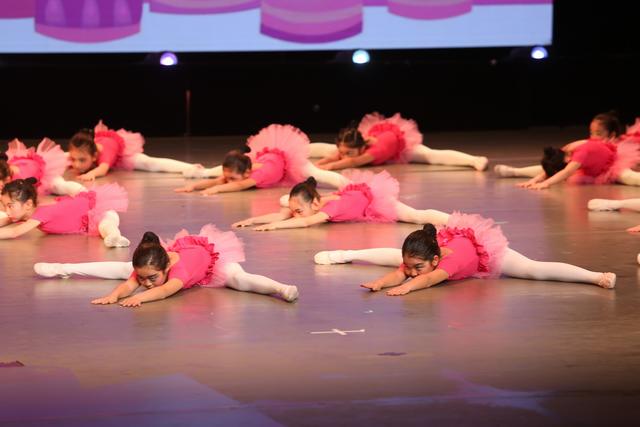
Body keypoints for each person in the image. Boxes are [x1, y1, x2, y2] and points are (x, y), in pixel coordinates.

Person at [313, 212, 616, 295]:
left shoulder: (449, 262)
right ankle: (345, 254)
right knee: (395, 256)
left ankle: (595, 276)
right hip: (444, 245)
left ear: (435, 261)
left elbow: (426, 280)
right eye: (411, 267)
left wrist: (407, 287)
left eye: (417, 267)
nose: (411, 271)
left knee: (532, 269)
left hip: (483, 254)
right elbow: (401, 271)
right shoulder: (422, 259)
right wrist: (380, 283)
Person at [33, 225, 299, 306]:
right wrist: (113, 295)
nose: (146, 283)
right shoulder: (150, 266)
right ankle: (62, 268)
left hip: (211, 261)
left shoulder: (177, 273)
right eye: (143, 278)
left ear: (166, 268)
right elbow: (130, 283)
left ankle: (282, 288)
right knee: (121, 270)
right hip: (175, 255)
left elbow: (162, 292)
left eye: (151, 278)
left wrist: (139, 298)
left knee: (240, 280)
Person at [231, 170, 450, 231]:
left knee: (415, 216)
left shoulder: (330, 208)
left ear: (314, 204)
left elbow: (305, 222)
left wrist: (274, 227)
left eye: (298, 210)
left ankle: (454, 220)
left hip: (374, 200)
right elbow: (284, 215)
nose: (294, 214)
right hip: (352, 195)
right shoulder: (312, 204)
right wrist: (251, 220)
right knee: (284, 204)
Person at [176, 124, 349, 195]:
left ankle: (349, 185)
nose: (228, 181)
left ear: (247, 173)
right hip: (268, 157)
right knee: (222, 173)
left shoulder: (259, 175)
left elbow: (239, 185)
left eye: (232, 178)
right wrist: (193, 187)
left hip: (289, 161)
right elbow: (220, 179)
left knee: (318, 175)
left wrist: (215, 190)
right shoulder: (241, 169)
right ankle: (202, 172)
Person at [312, 112, 488, 171]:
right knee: (328, 149)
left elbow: (352, 162)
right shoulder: (353, 146)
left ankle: (475, 160)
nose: (343, 156)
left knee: (431, 155)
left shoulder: (376, 150)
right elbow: (338, 155)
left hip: (399, 145)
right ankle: (300, 148)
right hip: (381, 136)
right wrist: (318, 164)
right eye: (343, 152)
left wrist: (324, 168)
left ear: (362, 147)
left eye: (348, 153)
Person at [0, 178, 129, 247]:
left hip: (100, 210)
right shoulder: (25, 213)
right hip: (85, 207)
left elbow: (14, 232)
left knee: (105, 226)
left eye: (10, 206)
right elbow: (7, 220)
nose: (7, 211)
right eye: (5, 206)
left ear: (28, 204)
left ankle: (115, 237)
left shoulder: (40, 214)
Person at [68, 120, 199, 181]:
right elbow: (68, 155)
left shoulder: (106, 152)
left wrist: (92, 174)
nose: (77, 165)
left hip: (123, 155)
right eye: (74, 159)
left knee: (149, 163)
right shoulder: (84, 149)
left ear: (94, 156)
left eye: (82, 160)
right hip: (101, 148)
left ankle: (190, 167)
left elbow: (103, 169)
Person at [1, 138, 84, 195]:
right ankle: (81, 190)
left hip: (44, 171)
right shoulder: (9, 168)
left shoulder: (14, 179)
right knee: (59, 185)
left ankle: (82, 191)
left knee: (59, 184)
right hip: (42, 169)